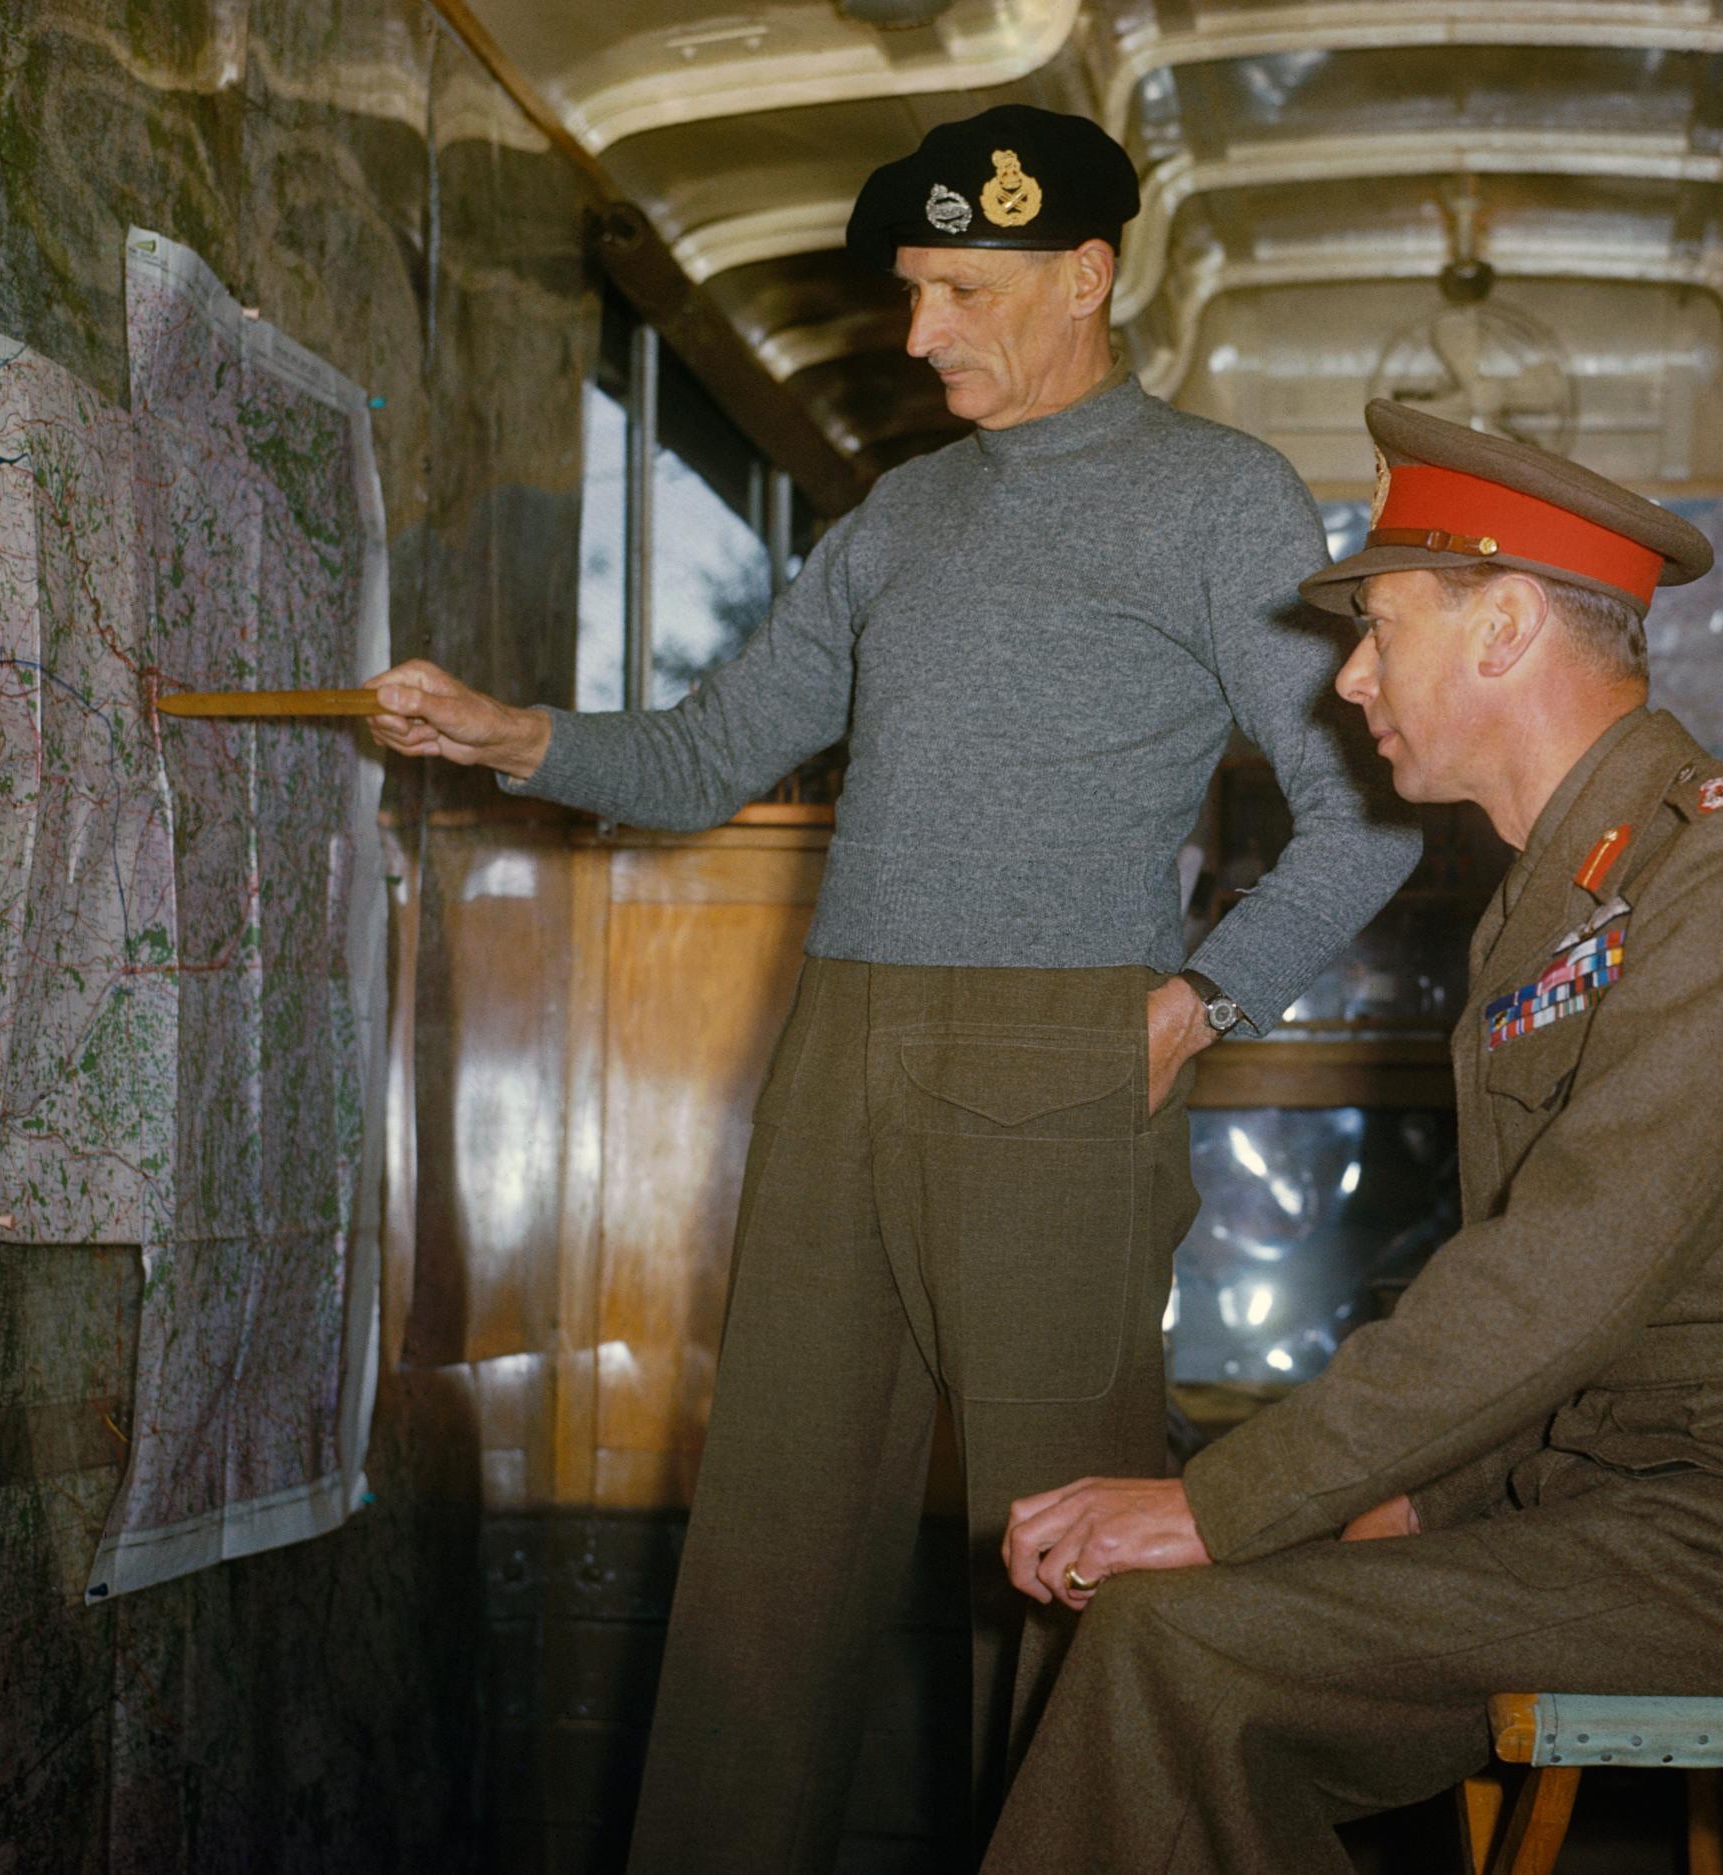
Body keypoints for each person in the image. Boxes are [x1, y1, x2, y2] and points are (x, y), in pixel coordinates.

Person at [365, 107, 1418, 1872]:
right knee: (764, 1560)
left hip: (1064, 1057)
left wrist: (1190, 1007)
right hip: (841, 1048)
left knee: (1065, 1565)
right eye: (910, 291)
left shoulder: (1215, 495)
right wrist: (509, 732)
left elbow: (1367, 814)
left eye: (958, 289)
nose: (921, 332)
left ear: (1086, 277)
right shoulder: (899, 515)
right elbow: (707, 755)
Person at [987, 400, 1723, 1875]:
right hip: (1630, 1509)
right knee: (1120, 1611)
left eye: (1379, 627)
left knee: (1176, 1639)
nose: (1348, 680)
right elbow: (1575, 1317)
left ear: (1506, 626)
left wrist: (1231, 1502)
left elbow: (1574, 1268)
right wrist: (1408, 1495)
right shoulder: (1559, 903)